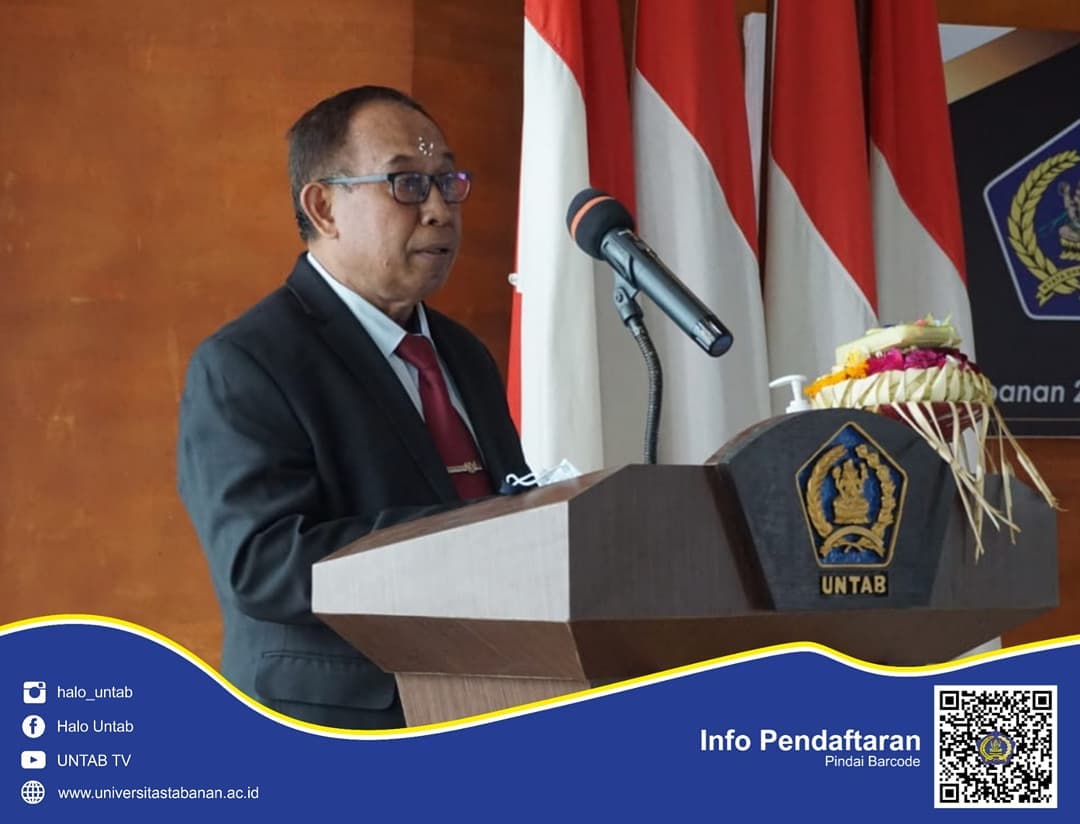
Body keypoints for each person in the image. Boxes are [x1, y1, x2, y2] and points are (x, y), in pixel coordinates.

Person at [177, 86, 530, 729]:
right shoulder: (247, 361)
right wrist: (470, 540)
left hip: (495, 698)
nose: (439, 210)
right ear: (324, 207)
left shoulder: (464, 354)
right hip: (341, 726)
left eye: (447, 182)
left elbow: (509, 507)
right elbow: (263, 565)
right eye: (406, 184)